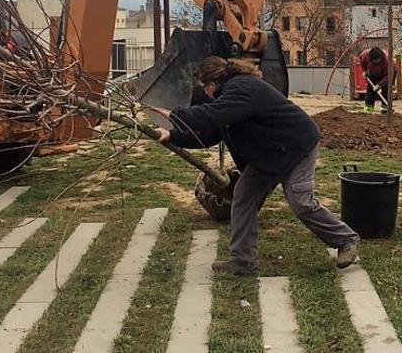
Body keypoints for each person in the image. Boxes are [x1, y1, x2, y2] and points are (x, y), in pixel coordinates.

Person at [153, 56, 360, 275]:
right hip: (268, 154)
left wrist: (177, 115)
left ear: (213, 83)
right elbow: (209, 134)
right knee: (243, 196)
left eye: (204, 87)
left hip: (295, 146)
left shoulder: (243, 88)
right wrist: (171, 136)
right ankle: (242, 260)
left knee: (301, 201)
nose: (204, 92)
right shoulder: (229, 97)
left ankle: (346, 240)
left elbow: (213, 116)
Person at [359, 46, 396, 113]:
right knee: (370, 90)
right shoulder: (365, 55)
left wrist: (379, 85)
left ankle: (385, 109)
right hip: (372, 73)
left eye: (377, 60)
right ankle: (368, 108)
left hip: (385, 74)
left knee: (386, 90)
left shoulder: (387, 61)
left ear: (380, 58)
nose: (376, 62)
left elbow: (388, 76)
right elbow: (362, 61)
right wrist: (364, 70)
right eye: (374, 61)